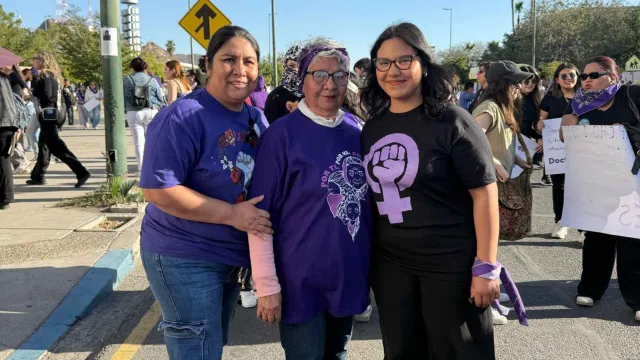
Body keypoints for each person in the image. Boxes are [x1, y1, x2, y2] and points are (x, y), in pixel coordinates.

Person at [360, 22, 502, 359]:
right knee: (402, 351)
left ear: (424, 64)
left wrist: (486, 266)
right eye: (383, 62)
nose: (393, 71)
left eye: (404, 60)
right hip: (391, 267)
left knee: (458, 351)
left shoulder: (453, 121)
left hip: (450, 265)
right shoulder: (372, 127)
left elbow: (484, 194)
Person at [139, 25, 270, 360]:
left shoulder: (255, 118)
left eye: (249, 62)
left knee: (211, 342)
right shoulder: (182, 116)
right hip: (184, 253)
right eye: (229, 59)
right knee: (197, 347)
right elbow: (158, 190)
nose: (240, 70)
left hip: (229, 254)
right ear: (209, 64)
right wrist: (232, 215)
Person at [248, 37, 370, 359]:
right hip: (299, 281)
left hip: (347, 276)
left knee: (338, 355)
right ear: (302, 79)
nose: (330, 85)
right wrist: (266, 285)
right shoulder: (281, 135)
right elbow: (258, 215)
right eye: (319, 75)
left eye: (340, 75)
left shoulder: (357, 131)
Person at [559, 56, 640, 322]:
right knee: (596, 236)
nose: (587, 81)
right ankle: (590, 289)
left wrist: (626, 130)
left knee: (633, 240)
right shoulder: (580, 107)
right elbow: (569, 141)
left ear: (613, 76)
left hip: (632, 182)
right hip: (597, 184)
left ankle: (637, 299)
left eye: (593, 75)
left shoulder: (632, 95)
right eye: (583, 77)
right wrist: (565, 129)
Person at [26, 51, 91, 187]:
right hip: (53, 113)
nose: (33, 61)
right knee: (44, 145)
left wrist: (32, 91)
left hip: (49, 114)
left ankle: (81, 172)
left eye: (35, 58)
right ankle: (38, 175)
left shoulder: (45, 75)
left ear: (42, 60)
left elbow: (48, 96)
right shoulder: (54, 75)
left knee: (56, 147)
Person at [537, 62, 580, 240]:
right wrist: (539, 127)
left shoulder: (586, 98)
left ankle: (583, 229)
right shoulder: (549, 99)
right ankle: (561, 222)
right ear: (557, 79)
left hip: (582, 150)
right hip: (557, 151)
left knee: (581, 188)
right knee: (559, 187)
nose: (568, 78)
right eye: (564, 76)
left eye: (572, 75)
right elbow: (540, 124)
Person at [473, 61, 532, 184]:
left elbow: (497, 144)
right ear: (501, 84)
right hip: (487, 182)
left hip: (496, 180)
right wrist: (498, 166)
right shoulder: (489, 108)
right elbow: (471, 143)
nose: (519, 87)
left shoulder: (502, 107)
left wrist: (518, 160)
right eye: (515, 83)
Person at [123, 57, 165, 176]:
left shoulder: (127, 80)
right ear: (145, 67)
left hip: (133, 113)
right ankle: (154, 167)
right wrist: (155, 105)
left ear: (131, 67)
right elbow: (160, 99)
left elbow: (123, 98)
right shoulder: (152, 80)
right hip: (150, 111)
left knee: (138, 142)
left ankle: (142, 169)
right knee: (152, 140)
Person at [518, 65, 546, 179]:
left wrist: (540, 137)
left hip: (524, 148)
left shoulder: (535, 101)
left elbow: (528, 128)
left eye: (534, 81)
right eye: (526, 80)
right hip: (506, 147)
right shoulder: (508, 100)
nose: (530, 83)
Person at [264, 45, 304, 123]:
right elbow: (271, 128)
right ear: (285, 65)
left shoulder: (312, 93)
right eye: (292, 66)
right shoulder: (275, 96)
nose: (296, 70)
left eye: (301, 67)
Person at [0, 64, 19, 210]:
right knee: (4, 160)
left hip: (2, 122)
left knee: (3, 161)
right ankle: (6, 196)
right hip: (9, 122)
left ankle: (5, 197)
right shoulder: (5, 78)